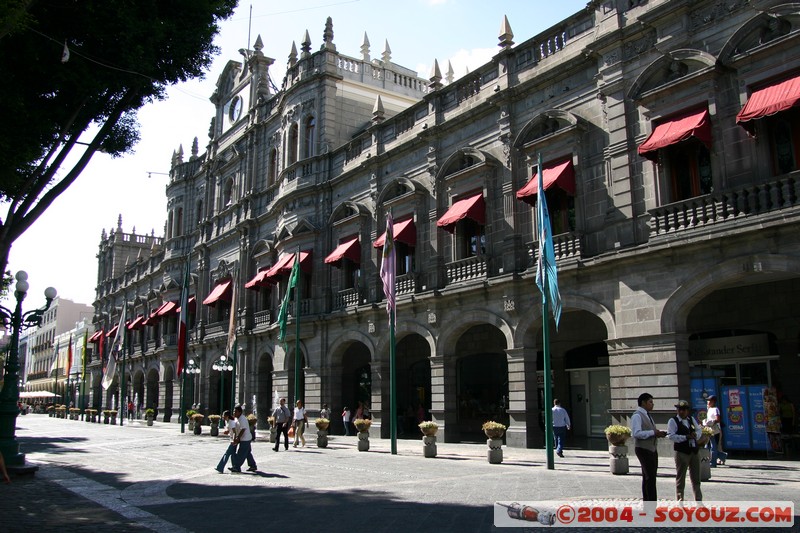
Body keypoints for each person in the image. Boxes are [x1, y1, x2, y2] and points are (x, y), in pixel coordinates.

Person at [631, 392, 667, 502]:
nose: (652, 404)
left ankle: (649, 503)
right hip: (643, 449)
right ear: (643, 402)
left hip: (651, 448)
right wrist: (653, 433)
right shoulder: (637, 415)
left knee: (650, 477)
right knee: (649, 478)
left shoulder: (647, 415)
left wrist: (658, 434)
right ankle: (650, 505)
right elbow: (636, 433)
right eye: (650, 402)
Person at [667, 400, 703, 501]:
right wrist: (685, 437)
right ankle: (680, 499)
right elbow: (671, 436)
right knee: (681, 476)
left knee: (696, 477)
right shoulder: (673, 421)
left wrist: (696, 435)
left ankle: (698, 499)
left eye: (684, 410)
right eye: (680, 409)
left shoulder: (691, 419)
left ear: (687, 411)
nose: (681, 412)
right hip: (682, 451)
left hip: (693, 450)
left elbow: (698, 430)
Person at [230, 405, 257, 473]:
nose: (234, 413)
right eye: (233, 411)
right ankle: (253, 465)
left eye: (235, 412)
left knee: (241, 453)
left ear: (240, 412)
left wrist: (238, 437)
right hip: (244, 438)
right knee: (247, 453)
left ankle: (236, 467)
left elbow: (243, 429)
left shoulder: (242, 419)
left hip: (245, 439)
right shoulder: (238, 419)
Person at [704, 395, 727, 467]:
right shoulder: (709, 409)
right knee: (708, 446)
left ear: (713, 402)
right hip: (709, 430)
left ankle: (713, 462)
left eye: (709, 401)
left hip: (715, 430)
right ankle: (722, 456)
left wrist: (711, 422)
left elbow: (718, 419)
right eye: (707, 400)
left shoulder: (716, 409)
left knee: (713, 446)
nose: (708, 402)